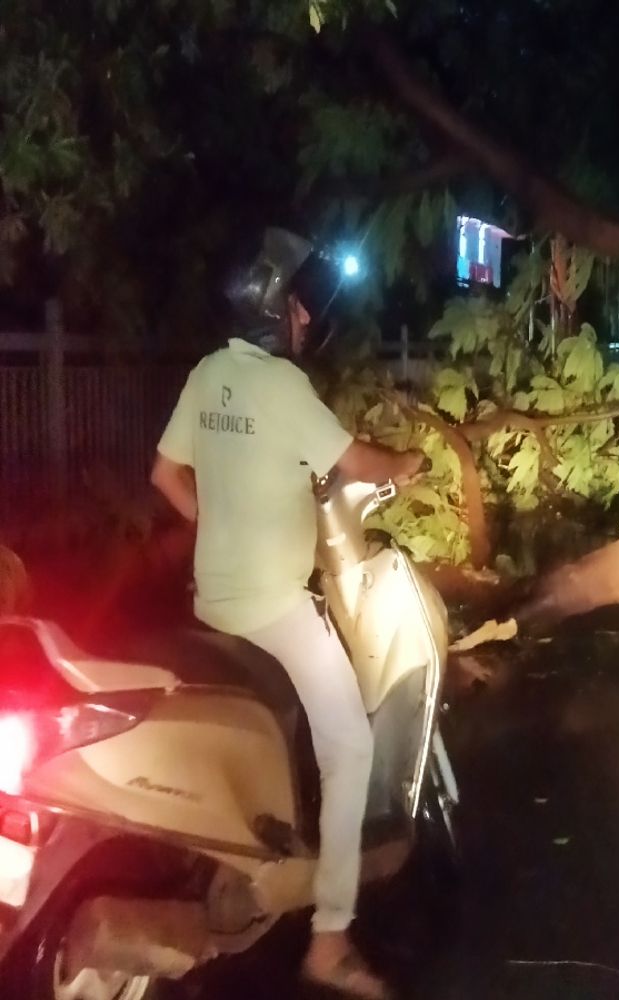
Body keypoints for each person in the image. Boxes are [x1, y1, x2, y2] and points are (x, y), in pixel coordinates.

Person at [151, 227, 422, 999]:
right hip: (274, 608)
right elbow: (353, 461)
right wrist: (406, 462)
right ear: (273, 309)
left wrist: (219, 519)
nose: (307, 319)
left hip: (213, 601)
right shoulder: (283, 387)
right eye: (299, 308)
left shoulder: (209, 374)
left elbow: (164, 475)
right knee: (352, 747)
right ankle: (330, 942)